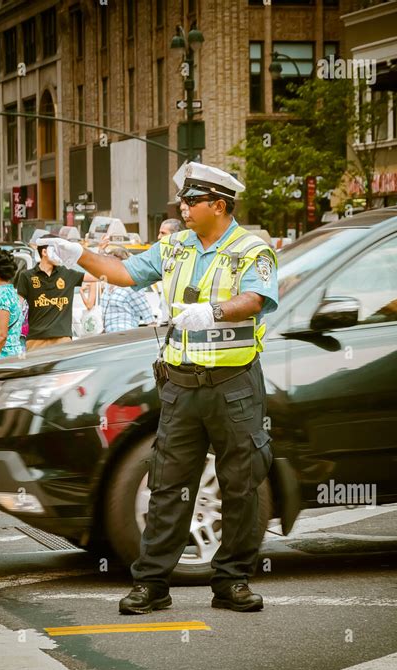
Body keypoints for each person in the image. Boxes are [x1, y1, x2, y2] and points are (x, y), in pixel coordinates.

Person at [43, 162, 279, 614]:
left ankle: (232, 581)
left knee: (241, 483)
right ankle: (152, 584)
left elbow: (257, 298)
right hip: (182, 386)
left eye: (193, 201)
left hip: (235, 385)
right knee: (168, 485)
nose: (184, 208)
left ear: (219, 205)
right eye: (183, 201)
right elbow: (126, 272)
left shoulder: (253, 249)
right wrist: (78, 256)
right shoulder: (173, 248)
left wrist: (214, 311)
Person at [17, 234, 85, 351]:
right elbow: (17, 306)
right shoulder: (26, 276)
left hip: (62, 339)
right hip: (35, 341)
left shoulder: (68, 273)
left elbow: (97, 276)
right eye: (57, 249)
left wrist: (79, 253)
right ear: (44, 252)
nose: (60, 253)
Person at [100, 247, 156, 332]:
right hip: (109, 335)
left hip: (125, 334)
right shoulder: (108, 284)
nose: (110, 265)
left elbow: (147, 312)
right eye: (109, 261)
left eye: (113, 262)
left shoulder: (130, 285)